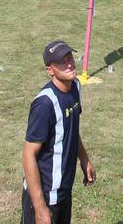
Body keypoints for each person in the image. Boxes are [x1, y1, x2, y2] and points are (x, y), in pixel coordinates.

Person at [21, 40, 96, 224]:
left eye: (70, 57)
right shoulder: (45, 104)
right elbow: (28, 154)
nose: (69, 63)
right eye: (62, 61)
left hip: (64, 191)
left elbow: (70, 129)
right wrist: (40, 208)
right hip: (44, 194)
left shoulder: (75, 87)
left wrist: (84, 159)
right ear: (50, 70)